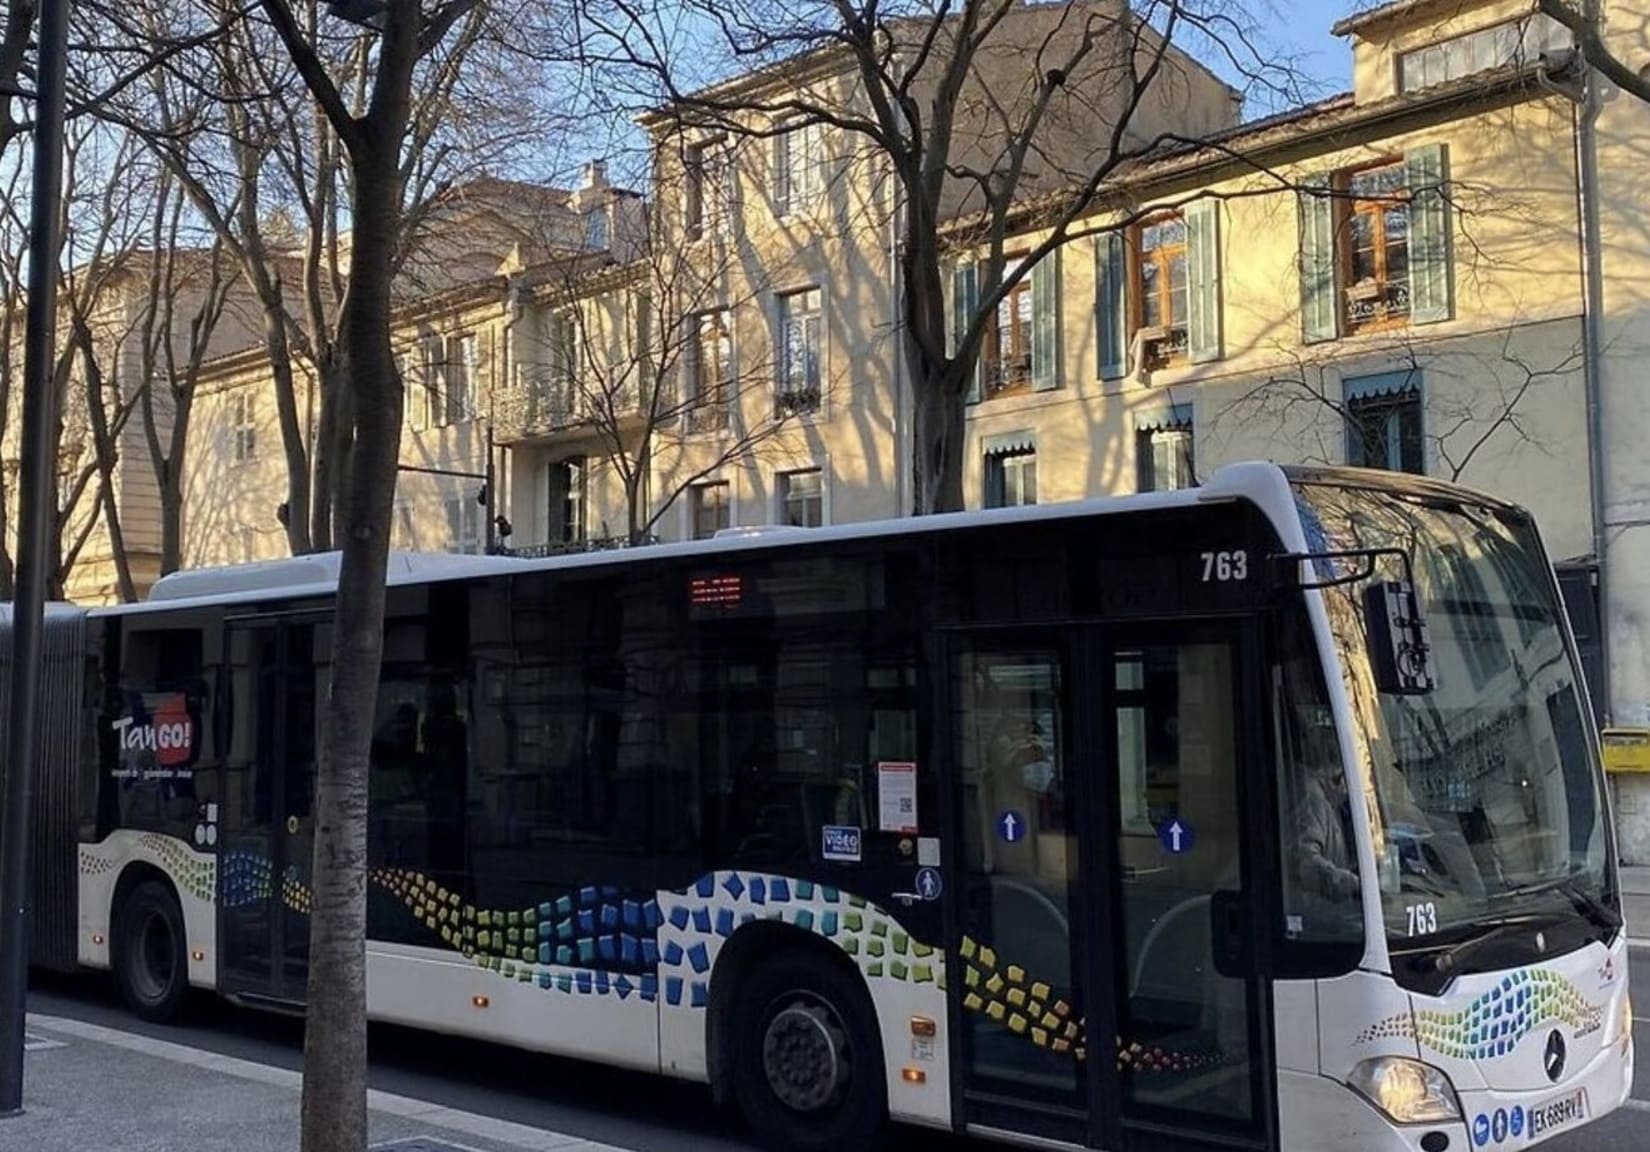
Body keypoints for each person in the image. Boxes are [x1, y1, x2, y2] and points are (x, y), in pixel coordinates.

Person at [1296, 760, 1360, 902]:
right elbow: (1305, 862)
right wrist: (1352, 883)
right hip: (1317, 909)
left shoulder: (1333, 805)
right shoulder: (1313, 798)